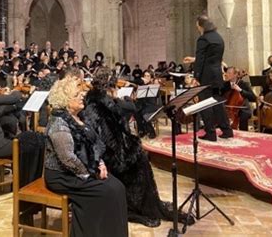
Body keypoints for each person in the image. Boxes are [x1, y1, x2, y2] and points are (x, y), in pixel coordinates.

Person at [80, 68, 193, 228]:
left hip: (113, 151)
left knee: (141, 156)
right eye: (115, 87)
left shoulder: (105, 102)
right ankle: (137, 207)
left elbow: (119, 132)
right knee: (139, 162)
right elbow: (107, 141)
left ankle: (148, 203)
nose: (117, 90)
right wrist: (130, 150)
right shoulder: (97, 107)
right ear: (109, 87)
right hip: (106, 158)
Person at [44, 76, 128, 237]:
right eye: (77, 94)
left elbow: (94, 145)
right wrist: (92, 172)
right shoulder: (58, 124)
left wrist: (100, 163)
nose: (83, 95)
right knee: (106, 191)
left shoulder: (79, 118)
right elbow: (68, 159)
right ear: (65, 100)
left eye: (81, 92)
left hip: (84, 168)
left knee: (118, 188)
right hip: (63, 175)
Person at [183, 15, 233, 141]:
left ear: (201, 25)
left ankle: (210, 133)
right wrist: (194, 59)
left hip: (206, 76)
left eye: (197, 26)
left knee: (205, 104)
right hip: (217, 75)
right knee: (218, 103)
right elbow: (213, 58)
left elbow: (201, 60)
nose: (197, 28)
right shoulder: (219, 38)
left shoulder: (203, 39)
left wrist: (196, 76)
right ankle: (227, 130)